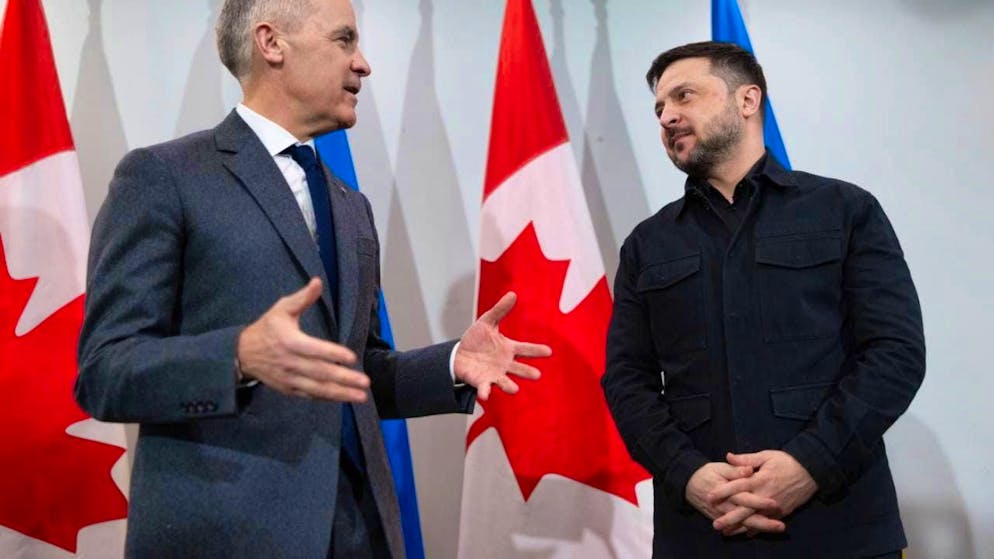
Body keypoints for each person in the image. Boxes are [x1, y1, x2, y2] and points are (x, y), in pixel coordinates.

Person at [74, 1, 551, 557]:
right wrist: (239, 356)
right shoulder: (163, 177)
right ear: (272, 43)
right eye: (344, 40)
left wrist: (449, 364)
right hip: (229, 536)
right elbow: (106, 371)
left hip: (359, 534)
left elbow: (354, 371)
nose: (364, 63)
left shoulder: (351, 205)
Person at [601, 41, 924, 559]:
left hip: (839, 528)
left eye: (684, 95)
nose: (667, 117)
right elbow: (626, 378)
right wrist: (688, 474)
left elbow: (895, 353)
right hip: (702, 531)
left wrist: (810, 464)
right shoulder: (647, 244)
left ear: (747, 100)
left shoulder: (845, 210)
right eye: (659, 108)